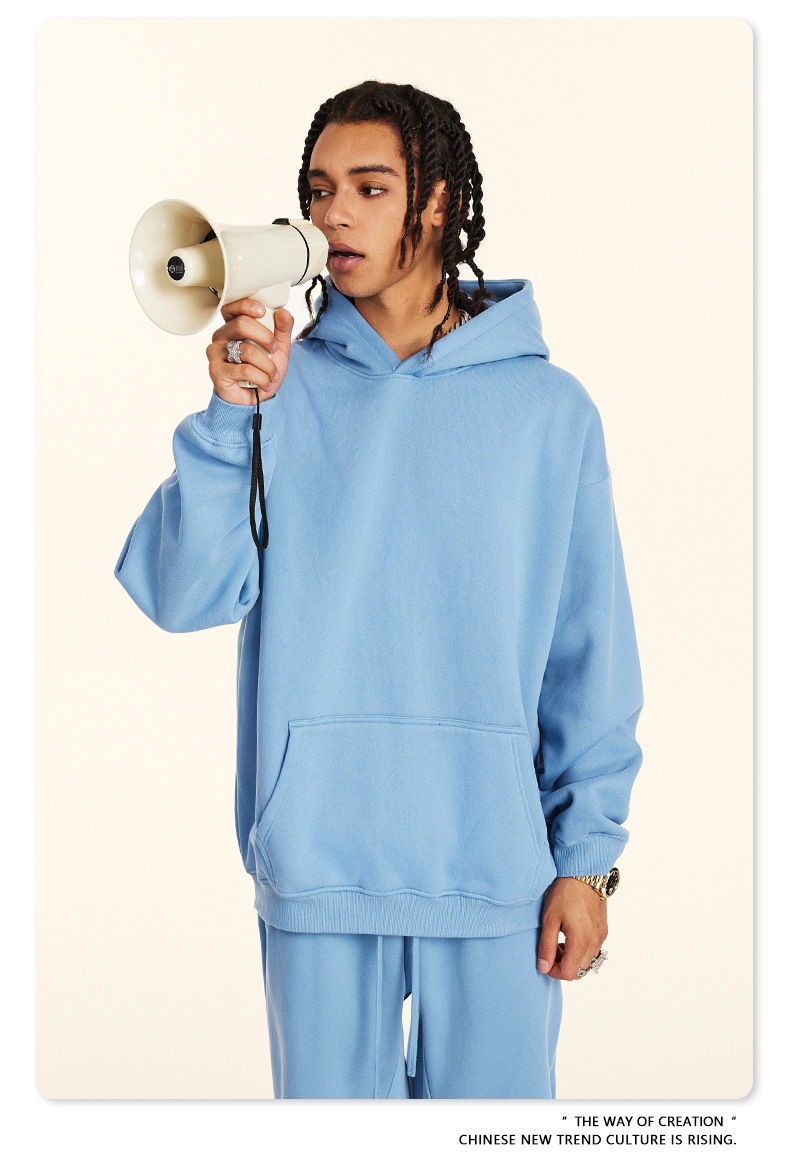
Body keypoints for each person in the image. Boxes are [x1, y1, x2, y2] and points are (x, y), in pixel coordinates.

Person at [115, 79, 644, 1100]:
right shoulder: (275, 387)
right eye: (319, 190)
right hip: (317, 861)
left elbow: (591, 654)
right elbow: (183, 594)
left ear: (439, 202)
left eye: (368, 187)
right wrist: (229, 417)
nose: (334, 215)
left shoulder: (550, 411)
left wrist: (586, 859)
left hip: (496, 870)